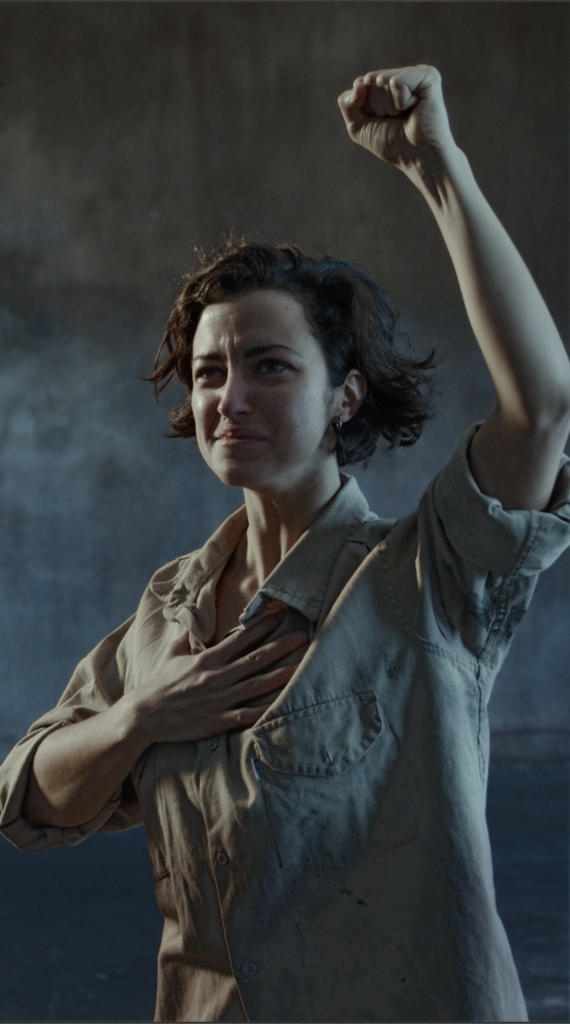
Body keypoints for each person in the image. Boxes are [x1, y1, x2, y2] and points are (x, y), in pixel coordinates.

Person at [1, 64, 570, 1024]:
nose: (229, 398)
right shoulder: (169, 613)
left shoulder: (426, 576)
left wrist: (439, 168)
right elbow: (28, 798)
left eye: (270, 366)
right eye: (209, 372)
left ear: (344, 396)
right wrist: (141, 718)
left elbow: (544, 404)